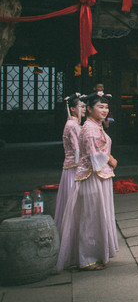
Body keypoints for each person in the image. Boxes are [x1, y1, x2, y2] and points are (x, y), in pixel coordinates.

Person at [57, 91, 119, 271]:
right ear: (90, 109)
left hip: (99, 174)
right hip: (92, 175)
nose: (105, 110)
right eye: (100, 107)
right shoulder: (90, 128)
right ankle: (87, 258)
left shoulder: (95, 125)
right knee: (90, 217)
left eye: (106, 107)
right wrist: (110, 159)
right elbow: (93, 154)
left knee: (97, 215)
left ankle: (96, 253)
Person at [54, 93, 85, 234]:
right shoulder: (73, 126)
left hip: (71, 167)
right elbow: (77, 150)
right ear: (72, 109)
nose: (84, 109)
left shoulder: (73, 124)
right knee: (74, 203)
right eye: (81, 106)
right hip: (74, 168)